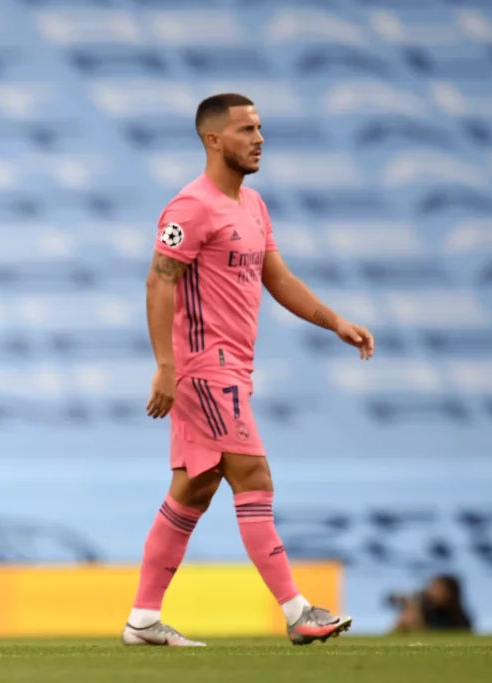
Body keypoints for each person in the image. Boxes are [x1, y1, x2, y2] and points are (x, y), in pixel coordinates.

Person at [124, 93, 375, 647]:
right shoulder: (190, 207)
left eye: (260, 127)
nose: (259, 138)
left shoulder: (253, 206)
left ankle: (142, 619)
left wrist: (334, 321)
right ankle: (298, 612)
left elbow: (277, 277)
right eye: (245, 129)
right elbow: (158, 281)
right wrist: (166, 365)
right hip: (203, 367)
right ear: (214, 140)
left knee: (193, 490)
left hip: (233, 367)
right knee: (254, 477)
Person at [391, 574, 474, 634]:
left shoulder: (457, 618)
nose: (432, 593)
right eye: (432, 588)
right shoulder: (425, 611)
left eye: (438, 589)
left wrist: (418, 618)